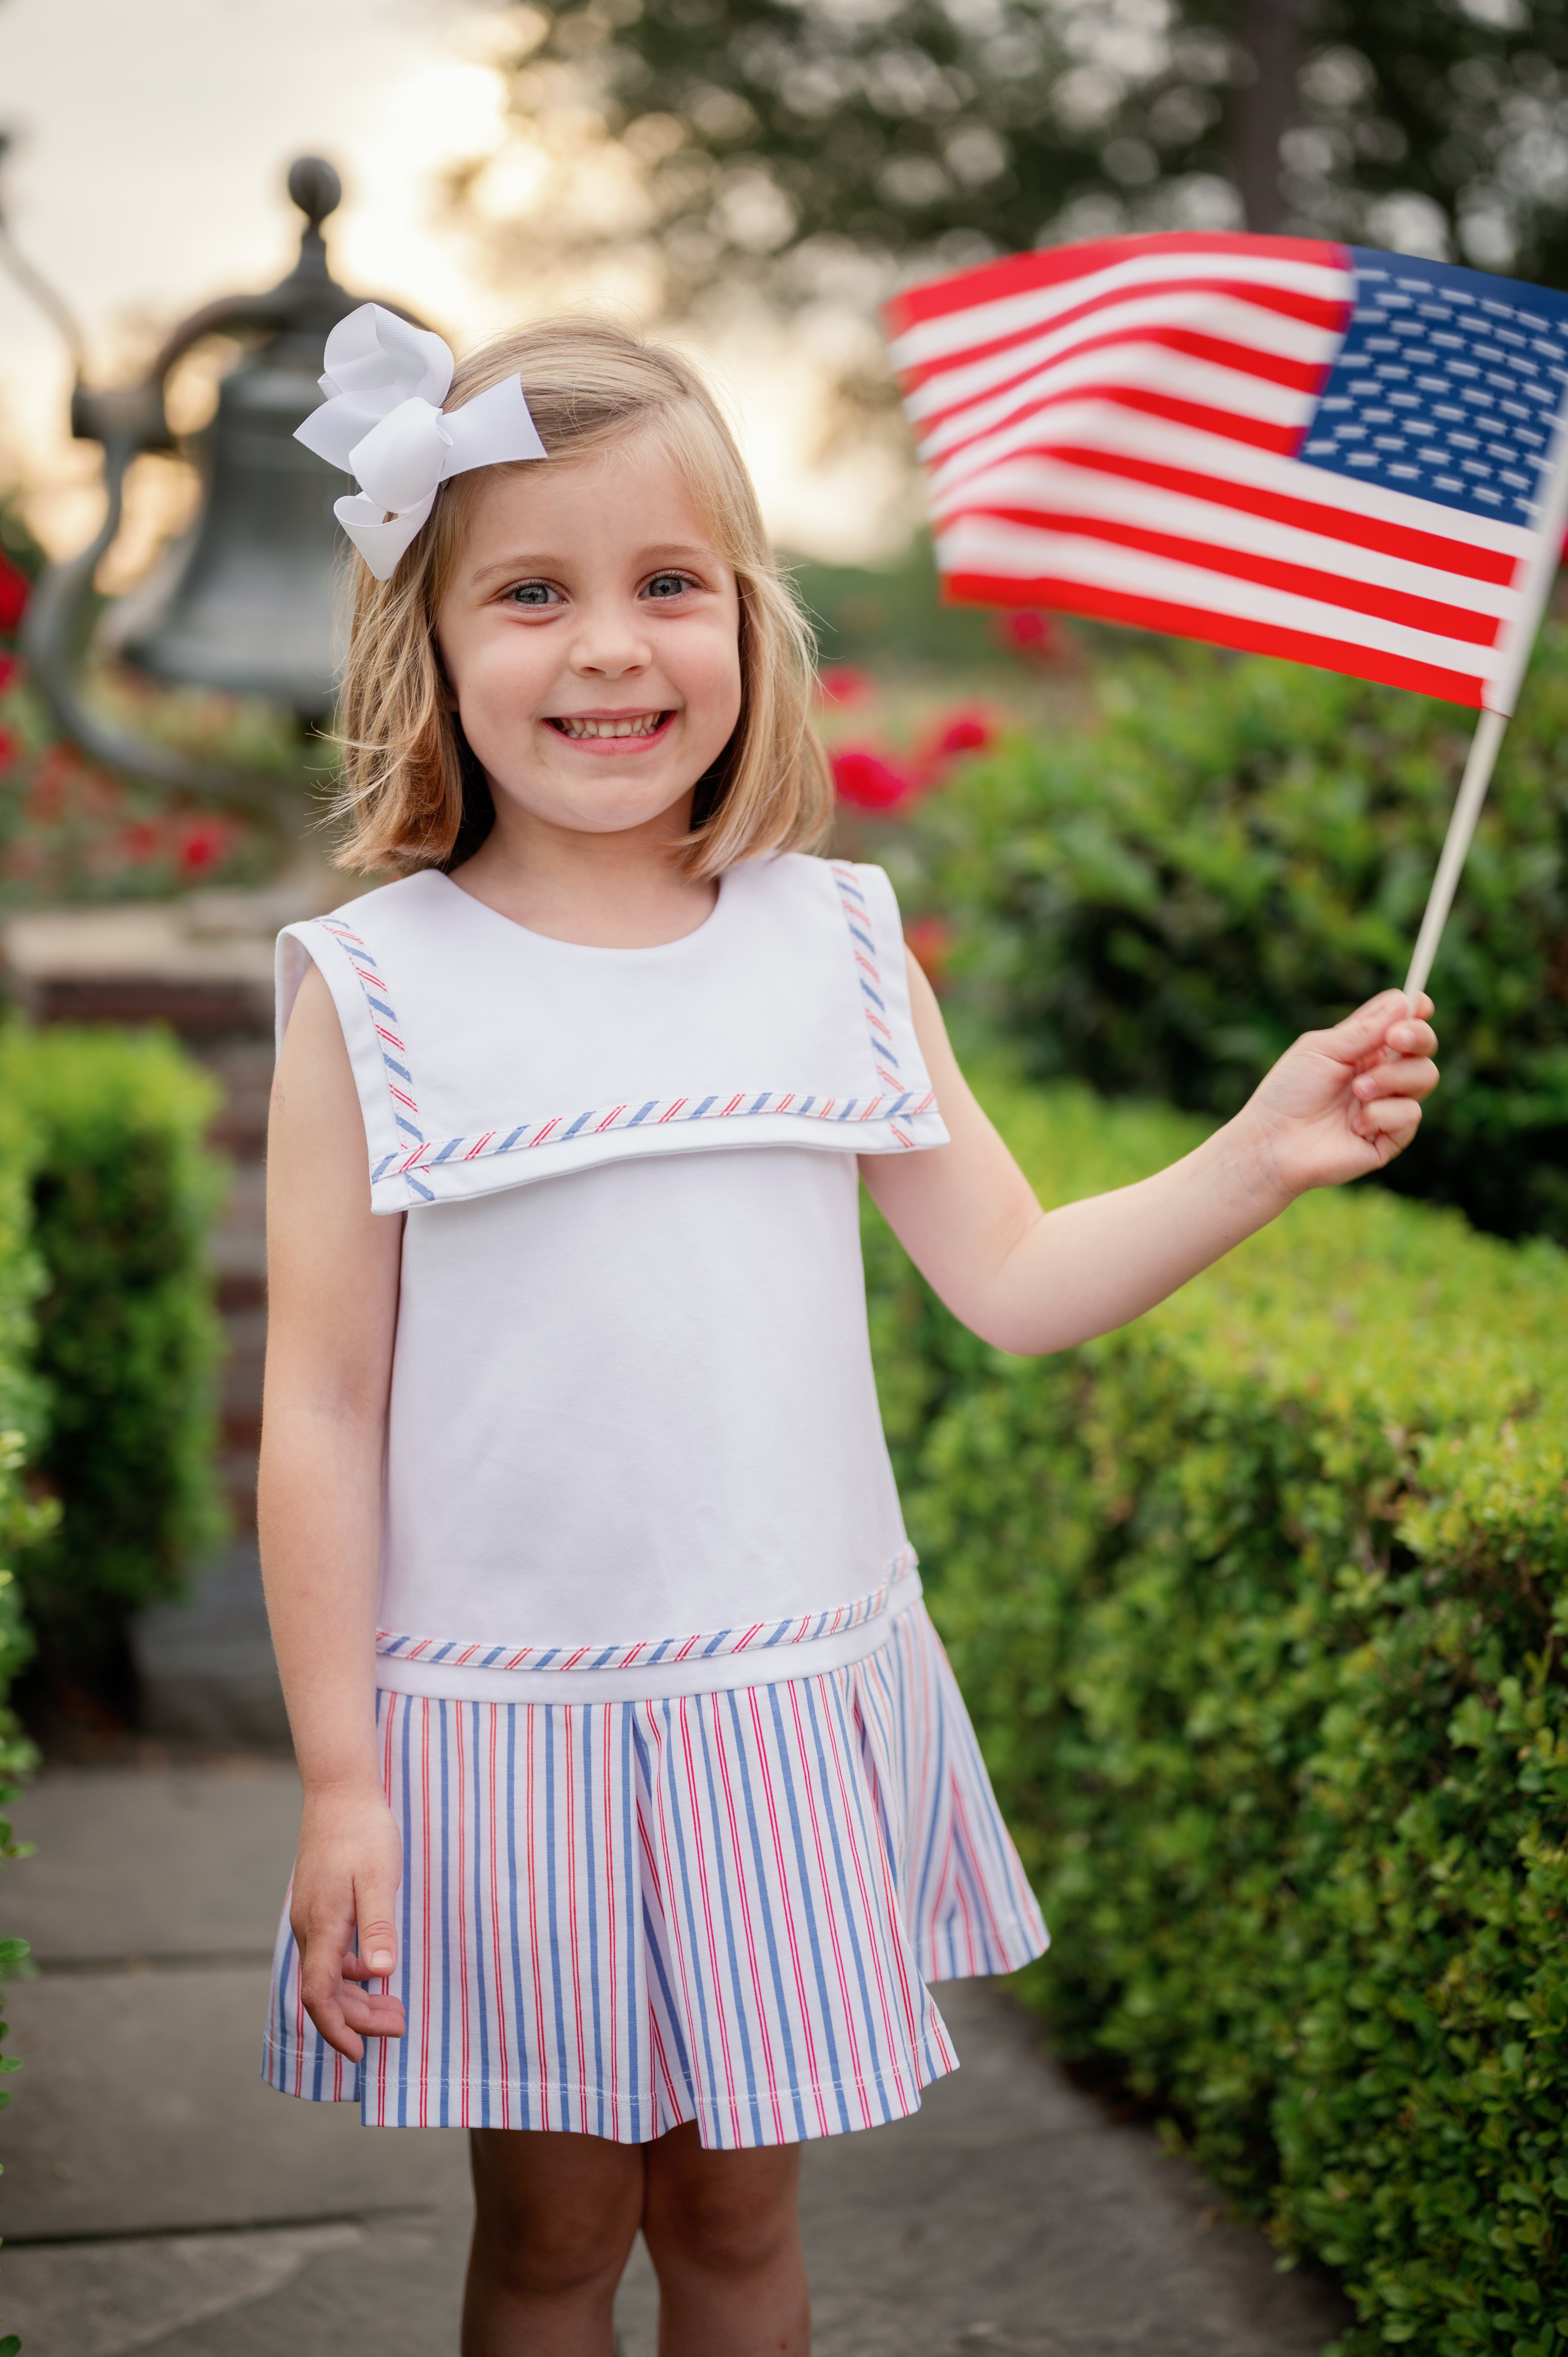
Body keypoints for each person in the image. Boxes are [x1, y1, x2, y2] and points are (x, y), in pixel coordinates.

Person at [259, 306, 1439, 2357]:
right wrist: (344, 1787)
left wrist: (1255, 1154)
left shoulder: (835, 943)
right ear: (430, 643)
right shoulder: (374, 988)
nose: (610, 648)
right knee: (548, 2242)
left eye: (668, 587)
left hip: (776, 1710)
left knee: (734, 2224)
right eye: (531, 593)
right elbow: (319, 1409)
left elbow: (1010, 1278)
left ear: (752, 625)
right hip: (497, 1728)